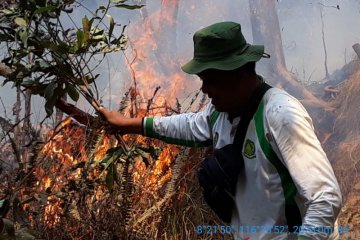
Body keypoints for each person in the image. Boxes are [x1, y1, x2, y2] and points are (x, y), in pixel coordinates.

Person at [99, 22, 342, 240]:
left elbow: (325, 198)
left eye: (209, 80)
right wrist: (130, 124)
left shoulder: (281, 115)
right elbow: (190, 125)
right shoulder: (221, 112)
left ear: (236, 73)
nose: (204, 89)